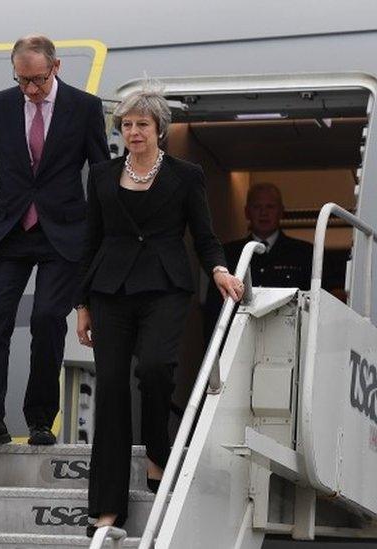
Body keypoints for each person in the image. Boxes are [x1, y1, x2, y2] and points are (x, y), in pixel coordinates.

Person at [74, 88, 244, 536]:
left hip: (166, 286)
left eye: (142, 125)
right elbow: (89, 243)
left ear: (159, 130)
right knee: (110, 388)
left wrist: (220, 269)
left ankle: (157, 453)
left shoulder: (186, 176)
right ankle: (107, 510)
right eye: (127, 125)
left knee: (154, 369)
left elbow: (204, 236)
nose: (133, 132)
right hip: (110, 290)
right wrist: (82, 304)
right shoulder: (101, 175)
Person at [0, 35, 109, 450]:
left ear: (56, 67)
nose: (30, 89)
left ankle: (42, 419)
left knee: (47, 319)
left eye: (38, 81)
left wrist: (108, 233)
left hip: (62, 233)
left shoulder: (83, 108)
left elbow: (100, 172)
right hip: (10, 230)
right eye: (22, 79)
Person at [203, 183, 347, 338]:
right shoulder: (227, 254)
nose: (263, 213)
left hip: (290, 340)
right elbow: (214, 309)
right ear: (247, 212)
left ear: (281, 212)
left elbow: (326, 302)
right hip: (237, 341)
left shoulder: (305, 253)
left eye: (270, 207)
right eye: (257, 207)